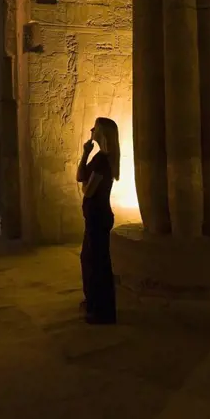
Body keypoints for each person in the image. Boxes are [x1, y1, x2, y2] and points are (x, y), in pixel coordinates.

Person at [76, 117, 120, 325]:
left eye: (96, 127)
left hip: (99, 216)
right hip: (95, 216)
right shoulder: (98, 156)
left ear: (102, 133)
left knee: (97, 262)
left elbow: (88, 189)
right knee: (90, 259)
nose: (92, 129)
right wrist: (85, 152)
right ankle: (93, 302)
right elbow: (79, 177)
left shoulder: (103, 160)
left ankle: (102, 310)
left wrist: (85, 185)